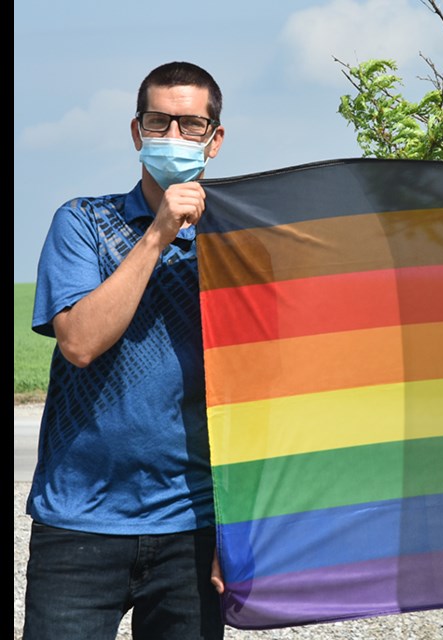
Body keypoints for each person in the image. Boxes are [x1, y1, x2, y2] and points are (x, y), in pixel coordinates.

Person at [24, 61, 226, 639]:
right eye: (158, 122)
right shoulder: (83, 222)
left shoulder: (238, 245)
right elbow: (81, 343)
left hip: (193, 525)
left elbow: (265, 389)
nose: (173, 136)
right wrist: (158, 234)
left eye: (190, 125)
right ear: (137, 133)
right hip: (79, 524)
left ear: (215, 141)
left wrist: (244, 532)